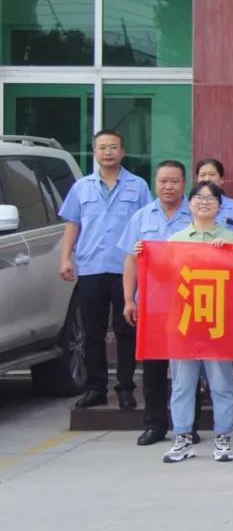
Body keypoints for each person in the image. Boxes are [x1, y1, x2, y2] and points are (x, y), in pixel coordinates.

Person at [59, 129, 152, 410]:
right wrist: (65, 258)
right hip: (91, 266)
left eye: (113, 147)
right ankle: (96, 388)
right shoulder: (81, 187)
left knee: (126, 329)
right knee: (92, 332)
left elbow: (147, 223)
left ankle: (125, 388)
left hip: (126, 269)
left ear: (123, 152)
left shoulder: (138, 186)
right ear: (94, 152)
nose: (108, 152)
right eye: (102, 147)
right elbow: (72, 223)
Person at [160, 181, 233, 463]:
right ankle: (182, 437)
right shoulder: (176, 240)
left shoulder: (232, 239)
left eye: (210, 198)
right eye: (198, 197)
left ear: (220, 206)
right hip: (184, 321)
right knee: (183, 384)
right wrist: (144, 254)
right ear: (190, 203)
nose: (204, 202)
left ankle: (223, 438)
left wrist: (229, 255)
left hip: (218, 322)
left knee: (221, 383)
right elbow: (164, 277)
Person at [118, 160, 192, 445]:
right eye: (163, 181)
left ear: (183, 183)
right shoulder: (142, 217)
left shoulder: (195, 215)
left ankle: (188, 426)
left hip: (187, 304)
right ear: (155, 184)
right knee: (153, 368)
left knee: (188, 369)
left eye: (174, 181)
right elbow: (130, 261)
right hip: (151, 305)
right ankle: (155, 425)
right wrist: (128, 299)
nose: (168, 186)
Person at [193, 158, 233, 241]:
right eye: (203, 175)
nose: (207, 179)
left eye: (212, 174)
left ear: (221, 179)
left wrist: (228, 244)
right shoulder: (192, 205)